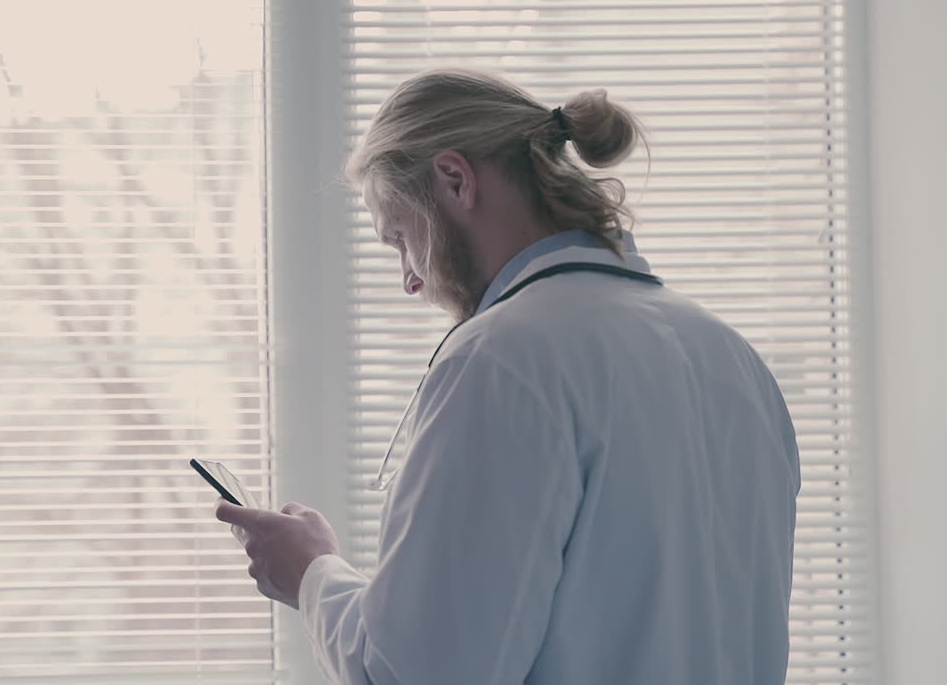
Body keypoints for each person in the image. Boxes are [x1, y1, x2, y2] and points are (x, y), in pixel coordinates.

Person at [213, 68, 800, 684]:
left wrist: (310, 573)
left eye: (399, 238)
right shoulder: (734, 358)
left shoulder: (500, 359)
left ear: (454, 179)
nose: (409, 279)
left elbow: (420, 673)